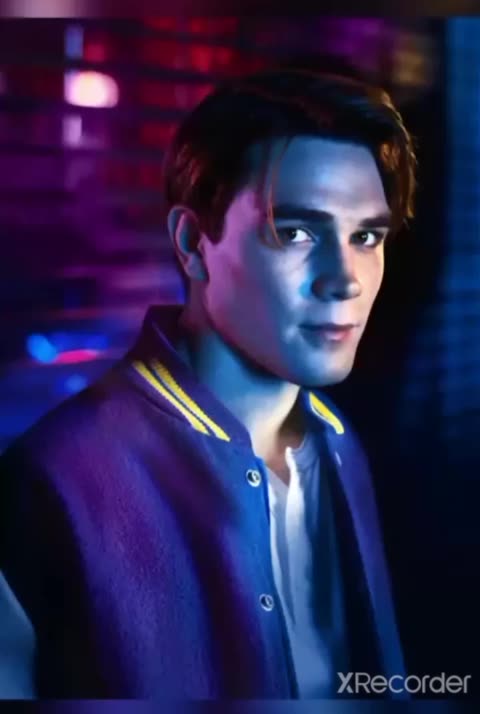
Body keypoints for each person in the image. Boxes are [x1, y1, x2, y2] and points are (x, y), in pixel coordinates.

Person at [0, 66, 416, 699]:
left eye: (366, 236)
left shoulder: (338, 444)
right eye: (296, 232)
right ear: (194, 243)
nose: (346, 279)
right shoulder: (54, 479)